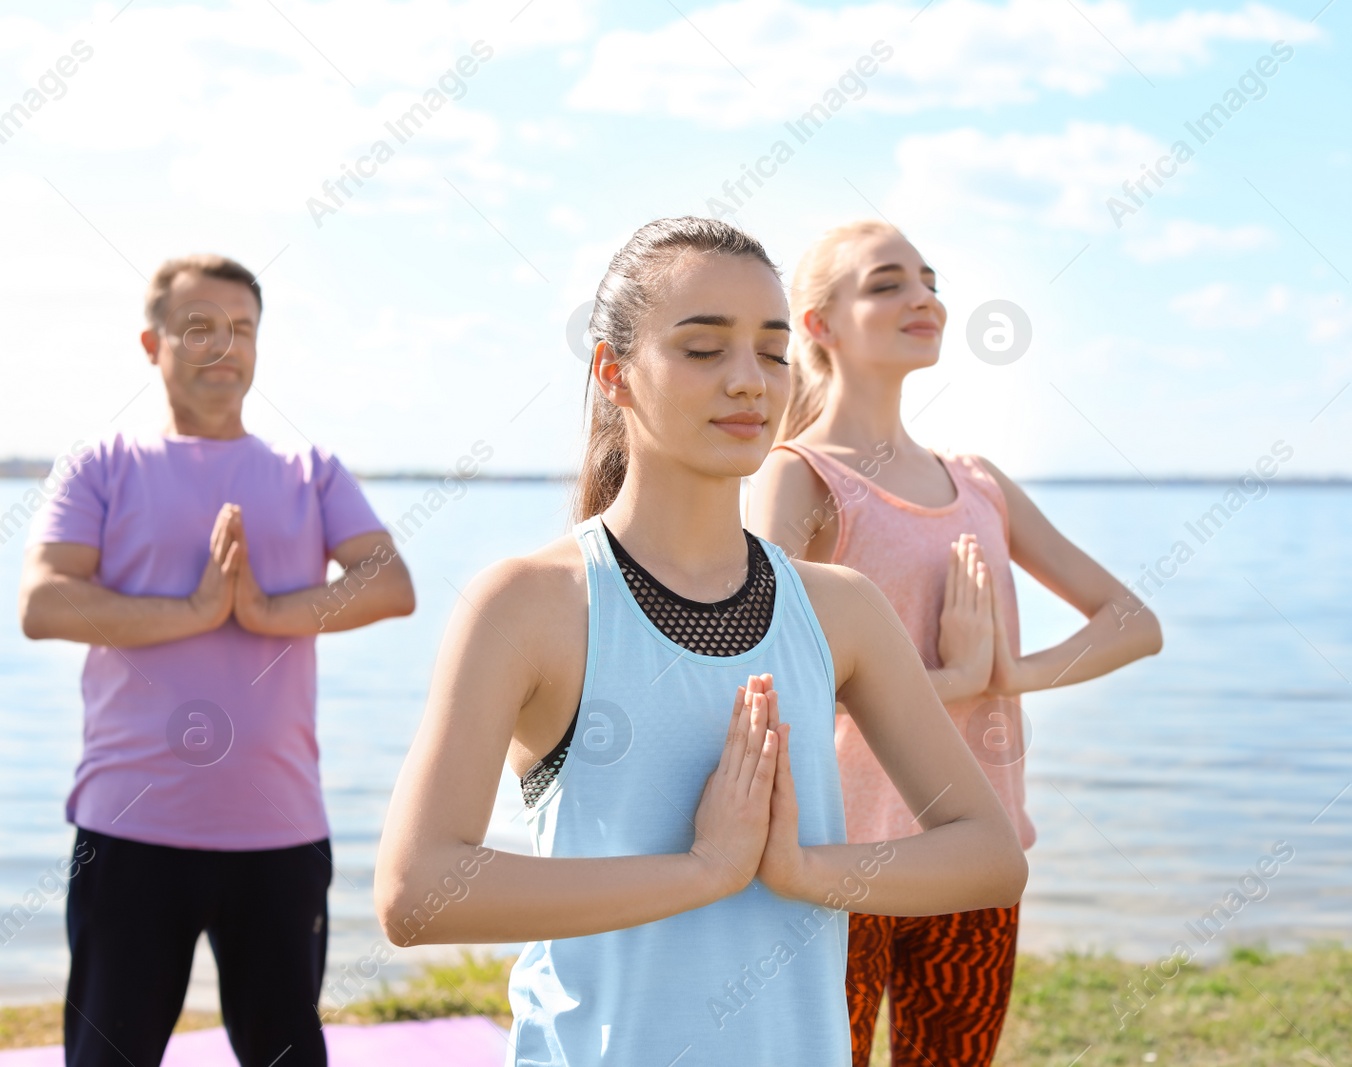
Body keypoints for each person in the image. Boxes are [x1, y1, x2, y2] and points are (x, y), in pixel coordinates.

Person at [372, 217, 1027, 1064]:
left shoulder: (841, 611)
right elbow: (417, 891)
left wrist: (803, 870)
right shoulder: (532, 604)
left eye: (772, 348)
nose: (750, 382)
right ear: (615, 373)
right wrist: (703, 870)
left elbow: (987, 854)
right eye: (703, 349)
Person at [745, 219, 1164, 1065]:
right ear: (820, 325)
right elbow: (764, 677)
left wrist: (1007, 671)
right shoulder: (802, 475)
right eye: (888, 282)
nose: (923, 297)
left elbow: (1132, 622)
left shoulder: (979, 483)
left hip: (975, 851)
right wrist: (946, 679)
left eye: (929, 280)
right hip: (842, 858)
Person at [18, 254, 416, 1067]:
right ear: (151, 342)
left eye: (241, 328)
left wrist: (269, 611)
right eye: (199, 325)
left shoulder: (310, 471)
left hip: (278, 828)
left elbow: (391, 583)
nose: (223, 346)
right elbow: (43, 601)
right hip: (128, 828)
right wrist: (195, 612)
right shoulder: (101, 465)